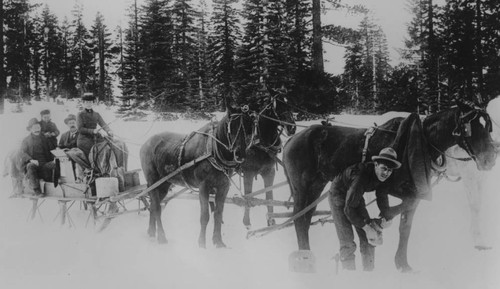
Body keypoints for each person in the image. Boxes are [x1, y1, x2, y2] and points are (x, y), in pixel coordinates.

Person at [328, 147, 401, 271]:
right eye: (384, 168)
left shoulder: (384, 177)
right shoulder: (361, 176)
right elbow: (348, 209)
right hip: (339, 195)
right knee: (347, 241)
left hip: (355, 195)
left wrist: (386, 216)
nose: (386, 173)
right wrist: (366, 227)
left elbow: (382, 197)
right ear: (376, 164)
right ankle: (349, 276)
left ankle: (368, 275)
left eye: (389, 170)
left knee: (369, 237)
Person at [19, 118, 58, 196]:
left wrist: (55, 156)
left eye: (38, 127)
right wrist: (31, 160)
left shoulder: (45, 139)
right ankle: (37, 190)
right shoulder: (26, 140)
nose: (37, 130)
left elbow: (52, 149)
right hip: (34, 164)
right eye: (34, 128)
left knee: (56, 164)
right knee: (30, 166)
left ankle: (55, 185)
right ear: (30, 129)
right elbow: (22, 153)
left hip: (45, 164)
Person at [76, 93, 114, 158]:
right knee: (96, 151)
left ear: (93, 103)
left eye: (90, 102)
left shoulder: (96, 114)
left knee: (108, 147)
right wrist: (92, 131)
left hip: (96, 137)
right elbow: (80, 129)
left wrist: (108, 131)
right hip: (84, 139)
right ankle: (91, 166)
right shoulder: (80, 114)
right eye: (87, 102)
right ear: (83, 103)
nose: (89, 104)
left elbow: (103, 124)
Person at [59, 114, 91, 181]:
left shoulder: (82, 133)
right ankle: (71, 180)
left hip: (80, 154)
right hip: (68, 155)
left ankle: (81, 178)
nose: (72, 125)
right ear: (67, 125)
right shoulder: (64, 135)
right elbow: (60, 146)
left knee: (76, 155)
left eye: (73, 123)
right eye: (70, 123)